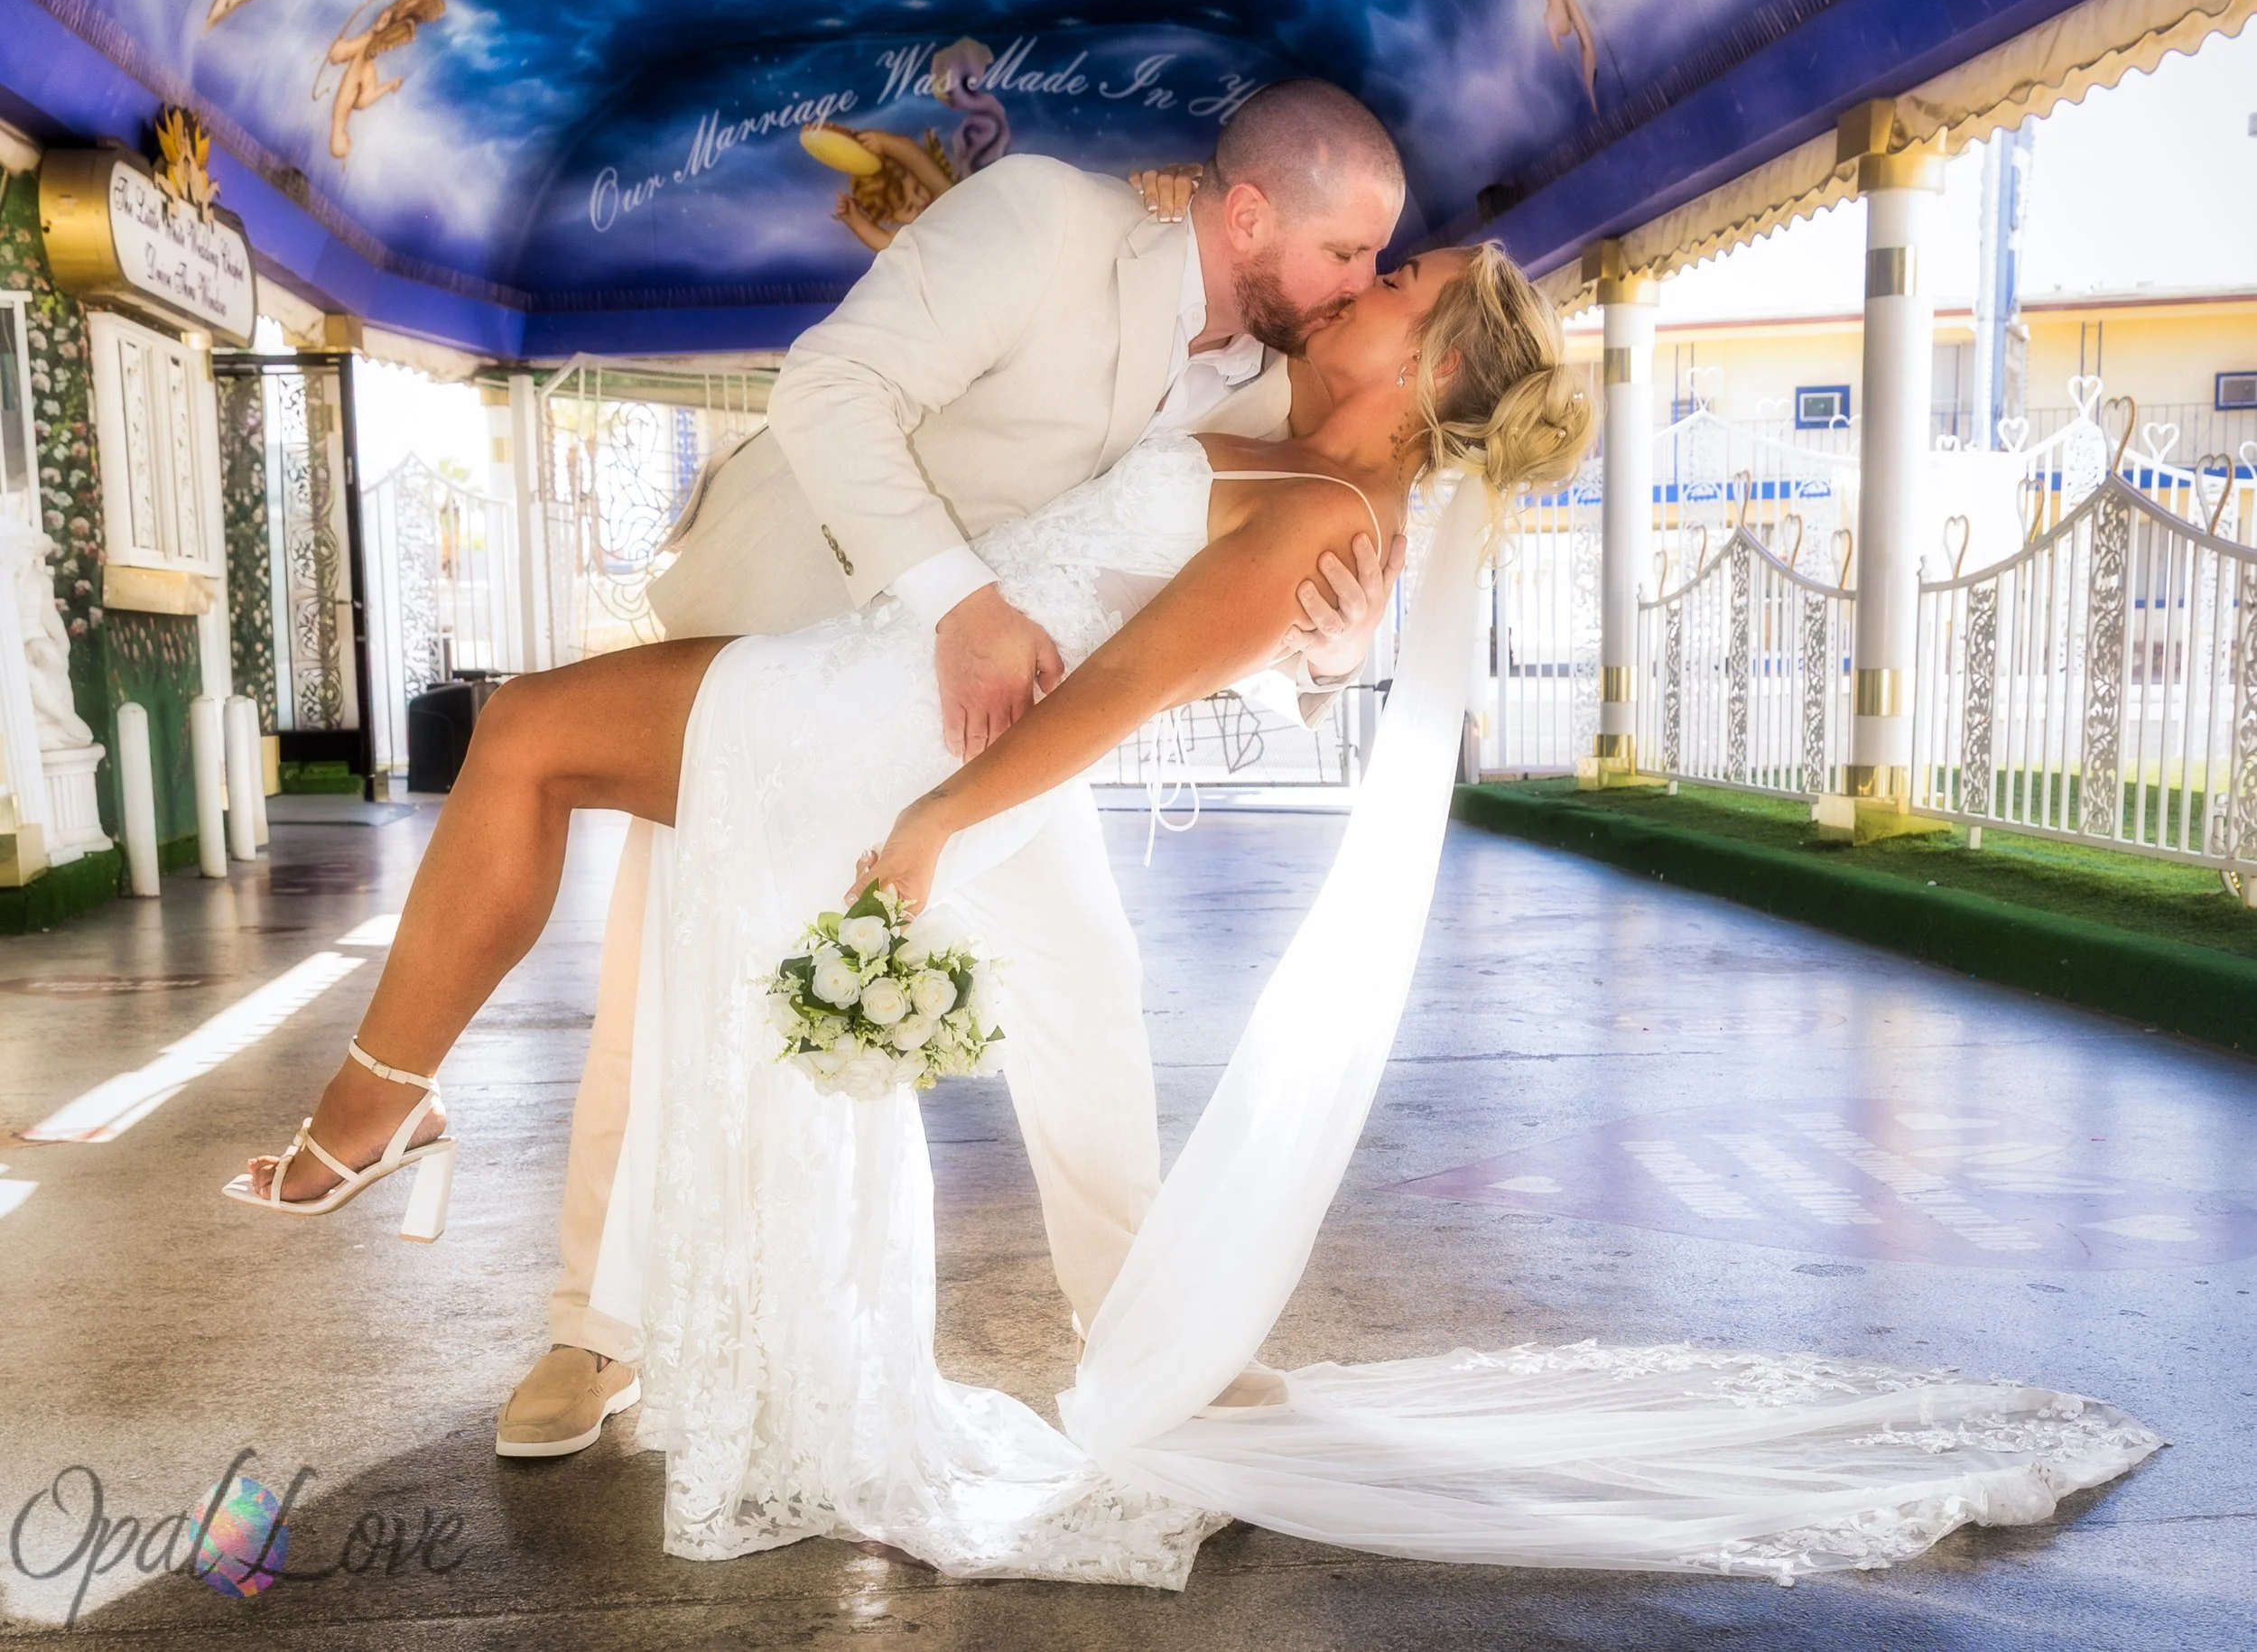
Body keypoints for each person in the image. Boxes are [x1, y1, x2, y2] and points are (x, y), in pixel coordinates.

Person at [225, 238, 2159, 1584]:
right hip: (876, 684)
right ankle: (407, 1125)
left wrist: (932, 820)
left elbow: (1123, 689)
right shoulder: (1280, 442)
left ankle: (379, 1109)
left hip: (888, 724)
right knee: (543, 751)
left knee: (530, 736)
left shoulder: (1327, 520)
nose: (1356, 286)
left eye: (1391, 285)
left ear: (1421, 371)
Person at [504, 80, 1411, 1459]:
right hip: (798, 641)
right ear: (1246, 216)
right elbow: (831, 388)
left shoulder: (1274, 386)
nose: (1360, 283)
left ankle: (1141, 1332)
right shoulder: (1046, 220)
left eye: (1377, 264)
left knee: (1088, 985)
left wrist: (1332, 652)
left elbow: (1237, 584)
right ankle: (594, 1331)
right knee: (663, 978)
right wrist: (960, 606)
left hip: (1002, 722)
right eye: (1347, 251)